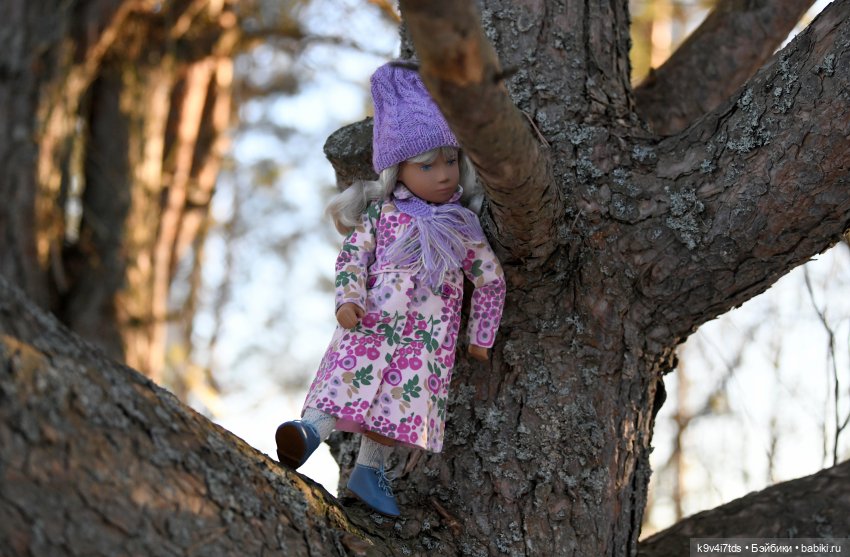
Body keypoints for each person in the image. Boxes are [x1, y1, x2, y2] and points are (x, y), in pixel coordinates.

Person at [275, 61, 506, 517]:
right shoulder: (381, 216)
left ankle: (369, 471)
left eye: (450, 160)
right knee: (345, 382)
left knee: (394, 409)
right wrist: (349, 299)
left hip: (425, 341)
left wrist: (481, 336)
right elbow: (352, 257)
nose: (443, 175)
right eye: (427, 165)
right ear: (397, 171)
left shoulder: (462, 227)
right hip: (372, 321)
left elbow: (490, 278)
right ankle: (308, 433)